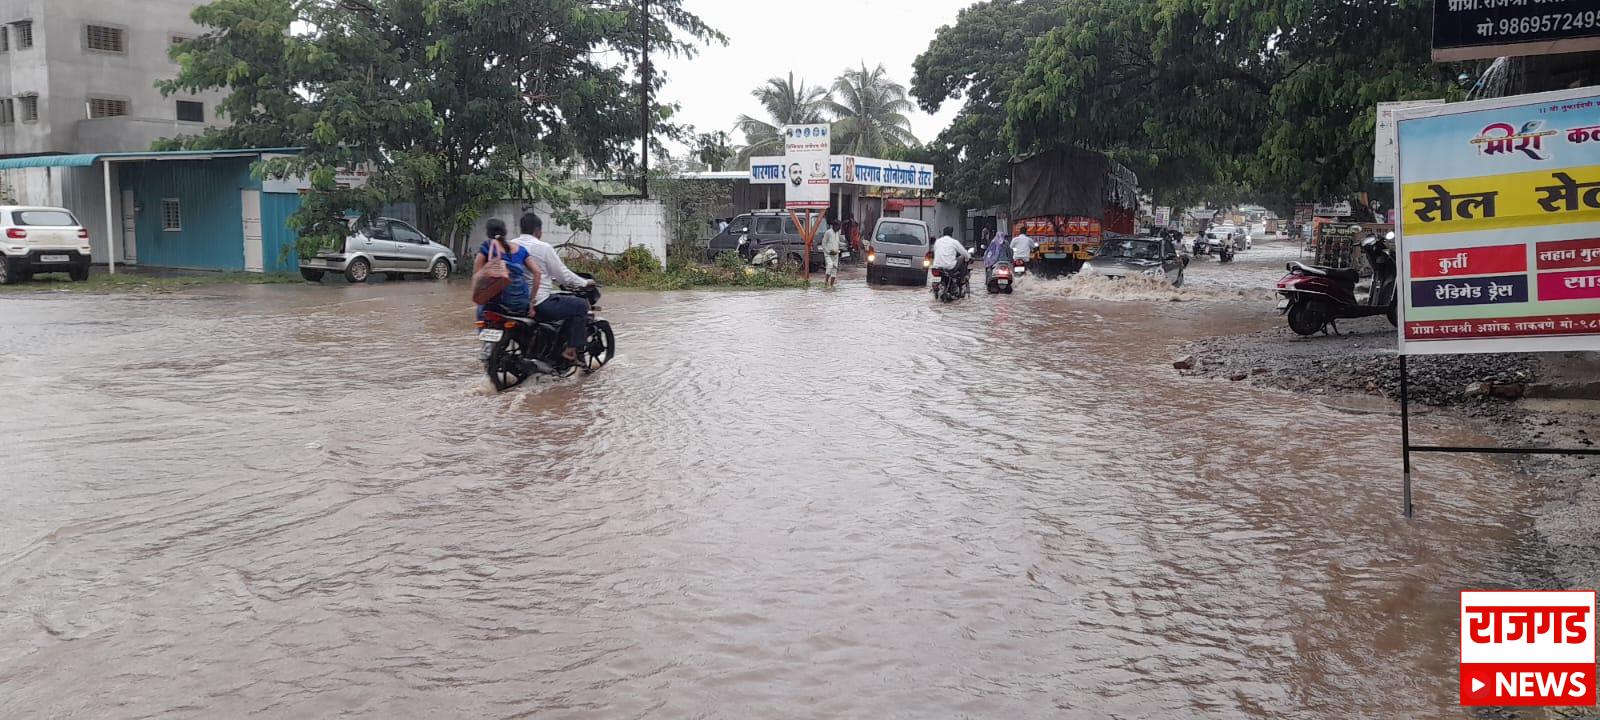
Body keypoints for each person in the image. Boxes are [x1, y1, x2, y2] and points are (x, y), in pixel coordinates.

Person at [513, 212, 597, 364]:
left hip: (515, 301)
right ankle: (570, 350)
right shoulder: (543, 247)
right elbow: (562, 274)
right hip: (538, 302)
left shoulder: (511, 245)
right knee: (580, 305)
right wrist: (584, 283)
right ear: (537, 230)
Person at [475, 219, 542, 321]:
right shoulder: (520, 249)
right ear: (505, 232)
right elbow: (537, 272)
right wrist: (531, 301)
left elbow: (477, 275)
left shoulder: (487, 246)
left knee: (481, 308)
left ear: (487, 232)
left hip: (496, 305)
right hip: (521, 304)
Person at [820, 220, 842, 288]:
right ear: (834, 226)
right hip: (828, 254)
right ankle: (826, 283)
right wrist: (829, 252)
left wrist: (844, 245)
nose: (839, 228)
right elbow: (823, 244)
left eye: (840, 226)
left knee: (834, 269)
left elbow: (838, 243)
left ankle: (831, 287)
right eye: (838, 226)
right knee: (830, 266)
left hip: (836, 254)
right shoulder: (828, 232)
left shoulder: (837, 233)